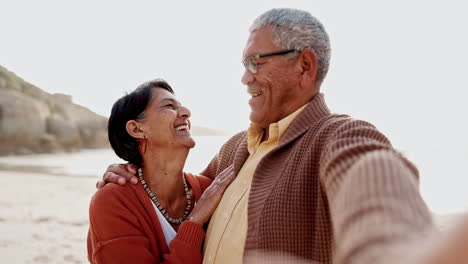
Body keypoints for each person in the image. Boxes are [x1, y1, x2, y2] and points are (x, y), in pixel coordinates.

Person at [98, 8, 468, 264]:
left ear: (305, 65)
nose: (245, 77)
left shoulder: (340, 136)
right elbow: (181, 195)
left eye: (257, 62)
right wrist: (127, 170)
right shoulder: (234, 149)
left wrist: (399, 251)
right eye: (244, 65)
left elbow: (373, 183)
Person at [87, 79, 234, 263]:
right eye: (169, 106)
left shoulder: (208, 190)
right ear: (136, 128)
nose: (186, 113)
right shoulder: (113, 201)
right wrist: (195, 222)